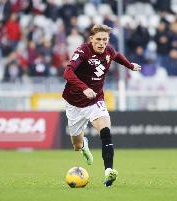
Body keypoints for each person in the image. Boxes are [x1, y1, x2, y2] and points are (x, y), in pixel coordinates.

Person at [62, 24, 141, 187]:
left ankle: (108, 172)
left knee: (105, 131)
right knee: (76, 145)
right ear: (91, 39)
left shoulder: (109, 51)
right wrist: (84, 88)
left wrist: (130, 66)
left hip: (95, 101)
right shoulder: (82, 51)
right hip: (74, 103)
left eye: (105, 40)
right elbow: (67, 72)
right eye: (98, 39)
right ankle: (84, 145)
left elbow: (117, 56)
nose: (101, 43)